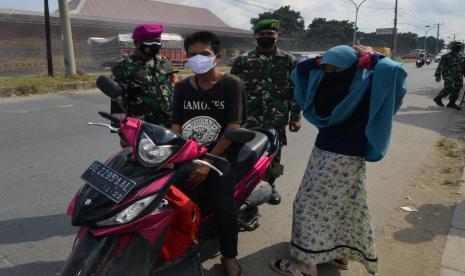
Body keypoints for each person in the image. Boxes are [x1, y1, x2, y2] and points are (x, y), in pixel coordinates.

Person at [270, 45, 407, 276]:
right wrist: (349, 60)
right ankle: (337, 253)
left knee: (307, 207)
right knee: (343, 206)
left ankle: (305, 265)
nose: (330, 74)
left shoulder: (366, 86)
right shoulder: (356, 82)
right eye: (327, 69)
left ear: (353, 67)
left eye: (337, 69)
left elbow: (394, 69)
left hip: (338, 157)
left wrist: (370, 55)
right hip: (337, 155)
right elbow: (302, 68)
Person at [170, 31, 245, 276]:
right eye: (192, 55)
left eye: (205, 54)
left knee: (223, 207)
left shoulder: (231, 84)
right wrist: (173, 153)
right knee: (169, 198)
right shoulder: (182, 87)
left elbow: (233, 127)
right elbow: (176, 126)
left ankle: (229, 255)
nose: (198, 59)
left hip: (220, 157)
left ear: (218, 57)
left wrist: (207, 160)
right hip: (189, 155)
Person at [230, 19, 301, 205]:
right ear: (255, 36)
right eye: (262, 35)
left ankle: (270, 186)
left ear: (278, 36)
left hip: (276, 118)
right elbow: (232, 90)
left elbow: (296, 90)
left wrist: (295, 117)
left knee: (274, 154)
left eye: (270, 34)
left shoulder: (288, 60)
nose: (266, 37)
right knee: (244, 153)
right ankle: (244, 187)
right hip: (248, 118)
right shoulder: (243, 60)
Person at [111, 23, 175, 134]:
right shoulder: (123, 68)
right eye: (150, 42)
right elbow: (118, 104)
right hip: (142, 129)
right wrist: (123, 134)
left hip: (171, 126)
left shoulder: (166, 63)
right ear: (137, 43)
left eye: (157, 41)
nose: (155, 44)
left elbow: (173, 91)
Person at [433, 41, 465, 110]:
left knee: (458, 87)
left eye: (459, 46)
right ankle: (438, 98)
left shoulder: (461, 57)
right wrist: (438, 75)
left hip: (459, 75)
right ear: (452, 47)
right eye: (456, 46)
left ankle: (452, 103)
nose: (458, 47)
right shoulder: (446, 56)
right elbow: (441, 66)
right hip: (449, 75)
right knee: (449, 87)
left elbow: (463, 67)